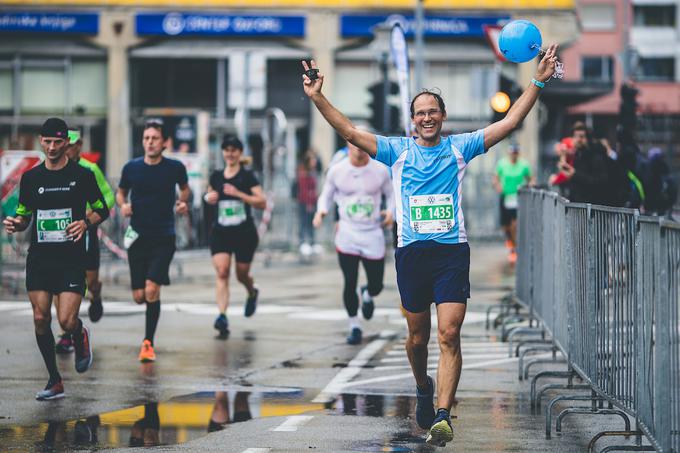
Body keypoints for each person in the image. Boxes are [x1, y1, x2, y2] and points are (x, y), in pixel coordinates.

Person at [301, 44, 558, 447]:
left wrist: (538, 80)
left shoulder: (460, 147)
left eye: (432, 111)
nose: (426, 118)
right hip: (412, 255)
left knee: (449, 334)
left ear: (443, 116)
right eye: (420, 112)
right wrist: (318, 97)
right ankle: (423, 385)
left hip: (451, 253)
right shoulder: (396, 151)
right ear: (412, 119)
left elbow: (509, 123)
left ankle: (442, 416)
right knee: (417, 339)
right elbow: (349, 131)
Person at [3, 117, 109, 400]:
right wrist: (17, 222)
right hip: (40, 258)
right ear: (41, 141)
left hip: (71, 259)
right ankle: (54, 379)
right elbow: (25, 216)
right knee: (40, 317)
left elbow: (103, 210)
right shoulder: (31, 178)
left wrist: (85, 223)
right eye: (47, 141)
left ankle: (79, 333)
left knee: (65, 320)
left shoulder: (82, 176)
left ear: (66, 143)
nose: (52, 147)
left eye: (57, 142)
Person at [116, 119, 190, 362]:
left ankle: (148, 342)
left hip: (163, 237)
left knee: (151, 290)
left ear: (164, 142)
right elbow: (121, 192)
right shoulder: (131, 168)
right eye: (146, 138)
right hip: (137, 237)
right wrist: (123, 205)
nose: (150, 142)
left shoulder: (175, 167)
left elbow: (185, 189)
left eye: (154, 138)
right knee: (139, 296)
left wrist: (182, 202)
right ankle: (148, 319)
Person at [313, 138, 394, 344]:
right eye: (355, 144)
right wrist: (321, 211)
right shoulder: (337, 170)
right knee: (349, 281)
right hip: (347, 233)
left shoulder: (380, 170)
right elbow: (326, 195)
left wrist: (391, 212)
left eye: (363, 144)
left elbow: (392, 194)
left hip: (372, 233)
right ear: (348, 145)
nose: (359, 149)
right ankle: (354, 325)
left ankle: (367, 293)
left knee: (377, 285)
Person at [55, 128, 115, 354]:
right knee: (61, 282)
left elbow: (108, 196)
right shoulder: (54, 168)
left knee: (90, 280)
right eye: (66, 144)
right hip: (61, 232)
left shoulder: (90, 169)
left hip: (86, 229)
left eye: (73, 144)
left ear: (79, 146)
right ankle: (66, 332)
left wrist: (90, 217)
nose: (69, 148)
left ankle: (96, 296)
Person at [203, 135, 265, 338]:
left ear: (239, 153)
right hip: (221, 232)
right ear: (223, 152)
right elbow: (209, 194)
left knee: (241, 275)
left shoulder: (247, 177)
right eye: (226, 150)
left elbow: (262, 202)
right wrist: (208, 198)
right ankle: (222, 315)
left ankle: (252, 291)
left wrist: (240, 194)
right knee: (222, 272)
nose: (230, 153)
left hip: (244, 233)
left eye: (234, 150)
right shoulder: (216, 176)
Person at [492, 144, 533, 264]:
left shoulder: (524, 164)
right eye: (512, 153)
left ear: (518, 153)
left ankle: (514, 249)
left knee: (515, 224)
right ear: (509, 153)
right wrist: (498, 186)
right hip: (506, 197)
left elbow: (531, 178)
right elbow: (495, 178)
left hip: (518, 198)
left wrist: (530, 185)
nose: (514, 155)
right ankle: (510, 241)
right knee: (505, 226)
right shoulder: (502, 164)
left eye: (516, 153)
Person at [558, 122, 613, 205]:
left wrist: (575, 174)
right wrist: (569, 174)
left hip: (593, 207)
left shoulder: (596, 156)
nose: (578, 139)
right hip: (579, 207)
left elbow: (600, 182)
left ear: (587, 138)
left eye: (581, 136)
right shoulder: (578, 155)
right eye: (575, 136)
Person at [294, 150, 320, 256]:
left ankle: (312, 242)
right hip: (305, 203)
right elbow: (304, 190)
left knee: (311, 223)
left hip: (312, 202)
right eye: (312, 160)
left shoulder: (313, 172)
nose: (315, 161)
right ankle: (303, 243)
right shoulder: (303, 172)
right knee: (304, 223)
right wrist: (308, 203)